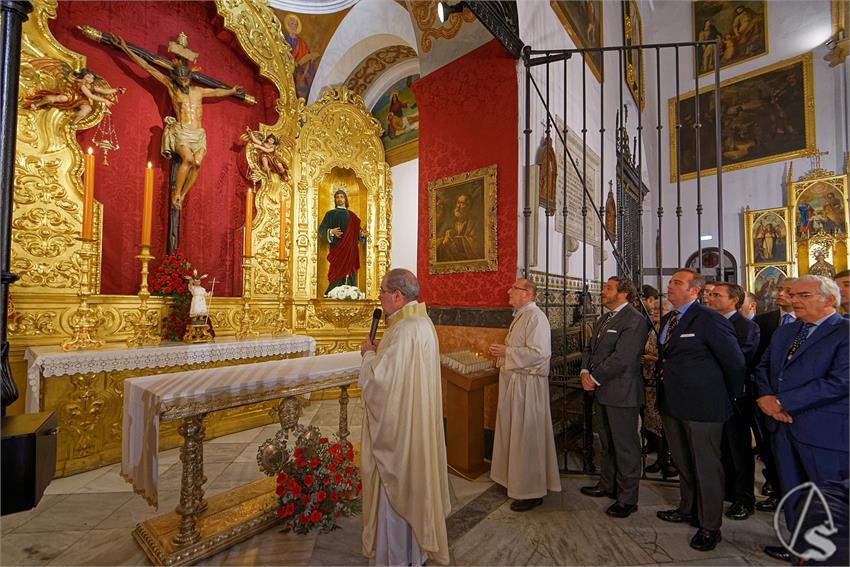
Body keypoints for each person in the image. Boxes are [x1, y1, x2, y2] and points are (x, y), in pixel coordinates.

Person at [359, 269, 451, 565]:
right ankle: (416, 552)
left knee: (398, 491)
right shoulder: (422, 323)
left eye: (382, 292)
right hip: (416, 428)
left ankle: (396, 558)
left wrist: (369, 356)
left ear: (397, 296)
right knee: (417, 486)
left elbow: (381, 387)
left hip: (400, 437)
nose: (380, 297)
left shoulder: (402, 331)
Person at [754, 275, 849, 563]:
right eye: (793, 295)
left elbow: (841, 381)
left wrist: (783, 401)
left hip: (824, 431)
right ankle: (801, 549)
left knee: (826, 500)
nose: (793, 300)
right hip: (782, 428)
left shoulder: (844, 332)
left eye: (803, 295)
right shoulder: (787, 331)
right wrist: (765, 397)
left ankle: (831, 557)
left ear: (829, 300)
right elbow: (764, 367)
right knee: (794, 494)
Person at [655, 269, 746, 552]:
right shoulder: (670, 319)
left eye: (677, 283)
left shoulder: (709, 319)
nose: (669, 286)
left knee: (706, 467)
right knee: (683, 462)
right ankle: (687, 508)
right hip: (673, 403)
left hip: (703, 407)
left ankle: (709, 526)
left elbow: (734, 362)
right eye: (670, 282)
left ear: (694, 291)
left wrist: (731, 396)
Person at [114, 35, 242, 210]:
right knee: (188, 160)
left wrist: (232, 91)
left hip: (198, 133)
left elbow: (217, 92)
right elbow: (147, 67)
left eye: (186, 79)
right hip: (183, 131)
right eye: (181, 79)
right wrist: (126, 48)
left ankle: (182, 195)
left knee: (197, 164)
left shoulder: (198, 91)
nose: (184, 81)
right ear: (176, 78)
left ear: (190, 78)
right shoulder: (172, 88)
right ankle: (176, 193)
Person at [488, 279, 561, 511]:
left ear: (527, 294)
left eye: (514, 289)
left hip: (528, 387)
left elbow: (539, 354)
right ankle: (515, 481)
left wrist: (507, 352)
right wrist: (504, 354)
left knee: (527, 438)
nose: (508, 291)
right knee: (516, 434)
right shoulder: (520, 316)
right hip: (516, 384)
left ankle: (531, 491)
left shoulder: (536, 317)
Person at [579, 277, 649, 518]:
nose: (602, 291)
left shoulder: (634, 320)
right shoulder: (604, 318)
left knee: (625, 446)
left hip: (622, 392)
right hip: (601, 390)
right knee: (607, 442)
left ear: (623, 294)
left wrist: (594, 378)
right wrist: (584, 371)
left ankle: (628, 498)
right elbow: (591, 349)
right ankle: (607, 485)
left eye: (608, 288)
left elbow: (622, 358)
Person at [705, 283, 760, 521]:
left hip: (735, 397)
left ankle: (744, 498)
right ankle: (726, 491)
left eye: (717, 295)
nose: (710, 297)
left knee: (738, 449)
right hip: (711, 396)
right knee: (720, 448)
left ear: (734, 301)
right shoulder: (707, 323)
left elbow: (740, 360)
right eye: (710, 294)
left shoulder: (747, 327)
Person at [21, 65, 125, 127]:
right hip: (72, 94)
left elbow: (103, 90)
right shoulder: (80, 83)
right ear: (84, 76)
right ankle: (37, 103)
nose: (90, 79)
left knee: (87, 109)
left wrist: (117, 89)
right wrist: (104, 101)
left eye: (92, 78)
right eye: (88, 77)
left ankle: (72, 124)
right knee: (61, 98)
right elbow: (90, 96)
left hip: (81, 99)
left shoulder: (90, 85)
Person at [318, 189, 367, 295]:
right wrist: (331, 232)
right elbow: (322, 230)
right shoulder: (330, 214)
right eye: (337, 197)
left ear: (345, 199)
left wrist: (361, 235)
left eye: (342, 197)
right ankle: (333, 294)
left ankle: (351, 294)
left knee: (350, 274)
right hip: (338, 251)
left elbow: (357, 232)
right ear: (335, 200)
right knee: (336, 273)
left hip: (350, 251)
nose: (339, 199)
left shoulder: (352, 216)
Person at [436, 194, 482, 262]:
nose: (458, 206)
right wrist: (445, 237)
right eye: (458, 202)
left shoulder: (475, 223)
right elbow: (439, 240)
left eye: (461, 203)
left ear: (468, 206)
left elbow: (475, 245)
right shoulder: (451, 222)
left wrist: (455, 239)